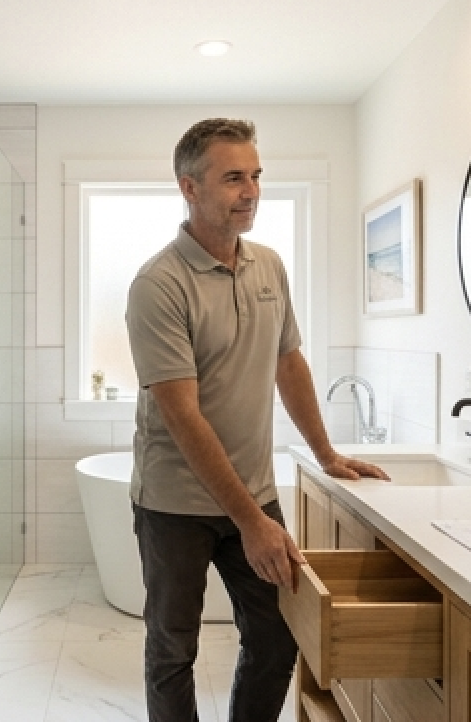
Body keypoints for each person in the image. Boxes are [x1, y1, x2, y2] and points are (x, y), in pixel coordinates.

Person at [125, 117, 389, 722]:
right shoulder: (158, 284)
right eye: (234, 178)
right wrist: (253, 523)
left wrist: (325, 453)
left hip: (254, 495)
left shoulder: (268, 266)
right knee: (172, 649)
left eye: (256, 176)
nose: (251, 191)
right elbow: (183, 416)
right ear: (190, 188)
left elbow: (288, 360)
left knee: (276, 636)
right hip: (173, 505)